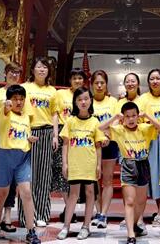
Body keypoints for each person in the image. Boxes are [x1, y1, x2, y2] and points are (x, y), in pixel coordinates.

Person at [99, 102, 160, 244]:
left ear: (138, 116)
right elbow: (100, 128)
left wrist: (147, 116)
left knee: (140, 202)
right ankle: (130, 234)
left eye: (134, 115)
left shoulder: (145, 128)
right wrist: (115, 117)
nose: (131, 119)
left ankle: (134, 224)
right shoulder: (119, 130)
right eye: (127, 116)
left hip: (143, 164)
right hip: (128, 165)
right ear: (123, 118)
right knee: (129, 201)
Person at [0, 84, 41, 244]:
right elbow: (3, 112)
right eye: (15, 99)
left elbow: (23, 135)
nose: (18, 102)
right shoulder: (5, 113)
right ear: (9, 100)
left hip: (23, 159)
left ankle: (31, 231)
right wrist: (6, 106)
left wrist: (29, 139)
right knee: (1, 193)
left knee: (26, 193)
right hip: (5, 158)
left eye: (21, 99)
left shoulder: (26, 117)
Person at [58, 87, 107, 240]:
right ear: (75, 102)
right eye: (79, 99)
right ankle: (66, 226)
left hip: (89, 164)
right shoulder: (70, 121)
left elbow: (98, 146)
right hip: (74, 164)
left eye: (86, 99)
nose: (83, 102)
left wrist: (98, 165)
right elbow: (65, 144)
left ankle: (86, 227)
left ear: (91, 100)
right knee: (73, 195)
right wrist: (65, 163)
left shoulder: (95, 122)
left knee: (90, 193)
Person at [20, 56, 57, 227]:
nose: (42, 70)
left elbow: (54, 114)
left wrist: (55, 135)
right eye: (39, 66)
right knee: (28, 176)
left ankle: (42, 214)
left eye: (45, 67)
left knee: (44, 175)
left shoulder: (52, 91)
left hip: (47, 133)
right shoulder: (24, 88)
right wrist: (25, 132)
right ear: (33, 69)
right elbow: (19, 112)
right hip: (30, 133)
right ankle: (27, 216)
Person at [0, 61, 24, 230]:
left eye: (17, 72)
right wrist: (1, 133)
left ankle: (7, 215)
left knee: (13, 178)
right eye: (11, 72)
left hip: (16, 140)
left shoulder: (21, 94)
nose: (14, 75)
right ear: (5, 73)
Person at [137, 68, 160, 227]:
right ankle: (145, 214)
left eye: (158, 78)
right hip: (147, 142)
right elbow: (137, 121)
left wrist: (151, 120)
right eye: (152, 79)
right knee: (150, 177)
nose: (155, 81)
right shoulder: (143, 99)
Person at [53, 68, 86, 223]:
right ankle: (69, 209)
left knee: (76, 171)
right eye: (74, 78)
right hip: (62, 133)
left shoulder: (85, 95)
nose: (77, 81)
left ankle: (70, 208)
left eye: (80, 78)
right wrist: (55, 135)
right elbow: (54, 114)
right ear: (70, 80)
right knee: (63, 171)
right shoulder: (60, 94)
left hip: (80, 134)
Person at [89, 70, 118, 229]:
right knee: (94, 180)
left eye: (102, 83)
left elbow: (116, 122)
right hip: (91, 145)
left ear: (106, 84)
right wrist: (99, 135)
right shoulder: (88, 100)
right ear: (91, 85)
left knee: (107, 180)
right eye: (96, 83)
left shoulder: (113, 101)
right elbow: (88, 124)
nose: (99, 86)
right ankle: (97, 211)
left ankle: (104, 214)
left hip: (109, 144)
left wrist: (106, 135)